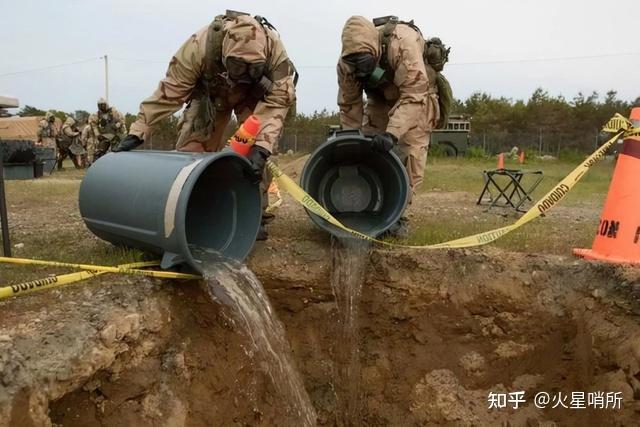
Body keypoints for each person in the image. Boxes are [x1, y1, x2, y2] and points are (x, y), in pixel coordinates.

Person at [114, 10, 297, 241]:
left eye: (252, 69)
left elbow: (278, 100)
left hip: (254, 99)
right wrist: (139, 131)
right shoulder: (199, 48)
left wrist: (261, 146)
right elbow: (170, 92)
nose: (243, 75)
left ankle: (252, 214)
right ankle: (191, 211)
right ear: (224, 53)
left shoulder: (275, 52)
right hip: (211, 96)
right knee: (191, 154)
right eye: (238, 67)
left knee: (255, 158)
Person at [337, 15, 451, 237]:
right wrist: (349, 141)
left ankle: (397, 213)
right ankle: (370, 205)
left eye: (364, 64)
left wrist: (391, 135)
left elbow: (413, 95)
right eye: (354, 64)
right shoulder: (346, 65)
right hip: (380, 99)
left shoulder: (402, 44)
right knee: (368, 148)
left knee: (409, 155)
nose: (359, 71)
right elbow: (349, 106)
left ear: (375, 50)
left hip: (417, 96)